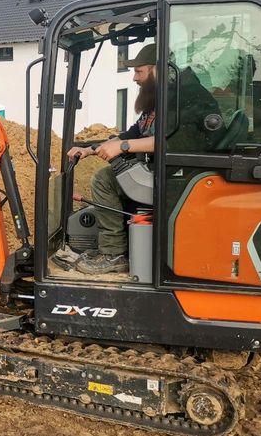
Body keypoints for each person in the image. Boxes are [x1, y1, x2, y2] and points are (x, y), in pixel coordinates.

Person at [66, 43, 223, 274]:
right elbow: (135, 133)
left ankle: (114, 254)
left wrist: (124, 146)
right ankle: (117, 249)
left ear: (157, 69)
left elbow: (173, 142)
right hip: (171, 171)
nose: (134, 78)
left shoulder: (186, 97)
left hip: (183, 177)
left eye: (139, 71)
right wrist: (90, 148)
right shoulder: (163, 95)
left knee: (105, 180)